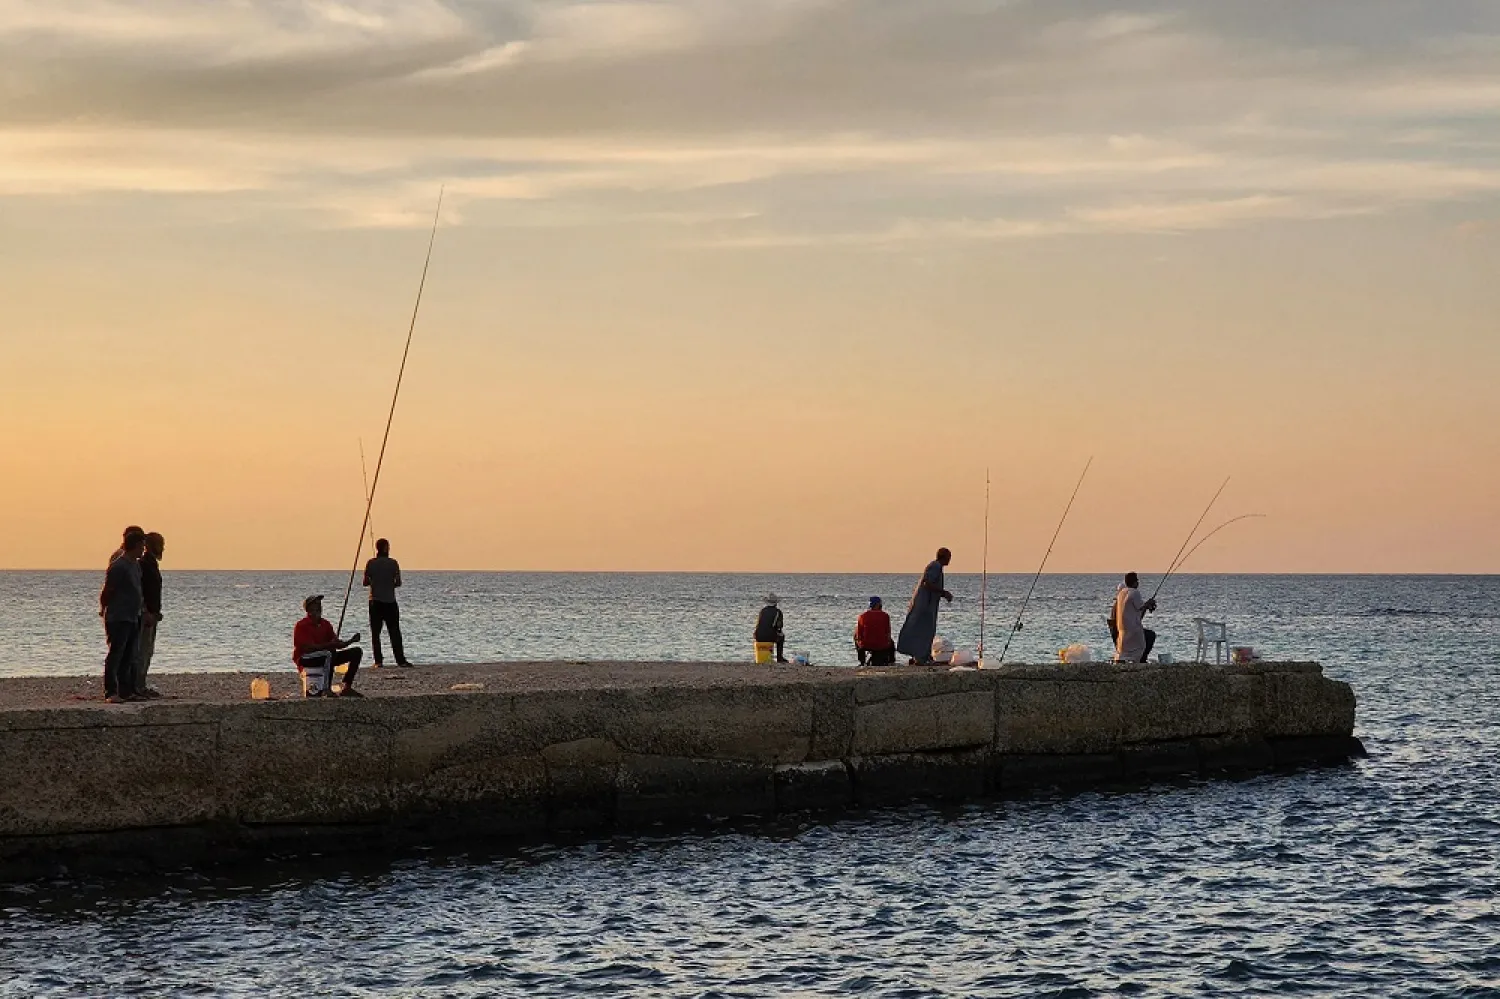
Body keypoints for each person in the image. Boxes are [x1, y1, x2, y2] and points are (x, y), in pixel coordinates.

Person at [99, 527, 146, 703]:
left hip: (132, 615)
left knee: (129, 654)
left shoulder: (135, 565)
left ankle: (125, 690)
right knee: (116, 653)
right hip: (118, 616)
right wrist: (103, 608)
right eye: (141, 546)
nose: (143, 550)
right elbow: (108, 590)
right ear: (134, 545)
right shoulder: (119, 566)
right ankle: (110, 691)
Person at [293, 595, 364, 697]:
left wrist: (351, 641)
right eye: (315, 605)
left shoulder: (325, 624)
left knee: (356, 652)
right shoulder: (301, 625)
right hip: (305, 657)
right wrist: (329, 645)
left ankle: (346, 686)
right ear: (308, 609)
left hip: (325, 656)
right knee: (329, 653)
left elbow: (337, 644)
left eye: (319, 605)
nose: (318, 607)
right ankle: (326, 689)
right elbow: (308, 648)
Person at [897, 548, 953, 665]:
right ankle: (921, 657)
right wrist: (944, 592)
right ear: (944, 557)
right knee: (924, 630)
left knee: (924, 630)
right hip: (925, 605)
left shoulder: (936, 567)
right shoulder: (935, 567)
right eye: (949, 557)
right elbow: (927, 583)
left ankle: (922, 655)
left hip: (927, 604)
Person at [363, 538, 411, 668]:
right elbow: (398, 583)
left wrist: (376, 582)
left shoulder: (371, 563)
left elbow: (365, 582)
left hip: (375, 602)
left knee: (375, 633)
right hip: (390, 601)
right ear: (385, 548)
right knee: (394, 632)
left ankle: (378, 661)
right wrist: (388, 585)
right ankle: (400, 660)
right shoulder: (393, 563)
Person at [133, 532, 165, 698]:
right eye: (160, 545)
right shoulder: (144, 565)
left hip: (152, 614)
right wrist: (145, 612)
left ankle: (140, 684)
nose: (163, 549)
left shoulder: (151, 564)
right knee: (142, 651)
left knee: (147, 651)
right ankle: (137, 686)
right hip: (146, 616)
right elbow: (140, 591)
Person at [1112, 572, 1158, 664]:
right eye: (1137, 580)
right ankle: (1141, 662)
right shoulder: (1135, 592)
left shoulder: (1121, 593)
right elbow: (1141, 607)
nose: (1138, 582)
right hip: (1133, 631)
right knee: (1142, 645)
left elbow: (1139, 611)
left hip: (1122, 632)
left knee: (1128, 651)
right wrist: (1149, 603)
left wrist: (1147, 605)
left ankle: (1125, 661)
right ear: (1135, 582)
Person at [855, 596, 896, 667]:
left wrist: (860, 642)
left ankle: (862, 661)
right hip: (882, 645)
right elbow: (888, 632)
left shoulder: (862, 616)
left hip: (866, 644)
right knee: (892, 643)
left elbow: (859, 634)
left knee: (855, 637)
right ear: (878, 605)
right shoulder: (885, 616)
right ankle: (891, 661)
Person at [754, 593, 787, 664]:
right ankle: (779, 657)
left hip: (758, 636)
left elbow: (758, 624)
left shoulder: (762, 611)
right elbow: (779, 626)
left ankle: (761, 657)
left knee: (771, 634)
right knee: (781, 637)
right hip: (769, 636)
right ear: (776, 603)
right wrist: (778, 632)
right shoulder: (778, 612)